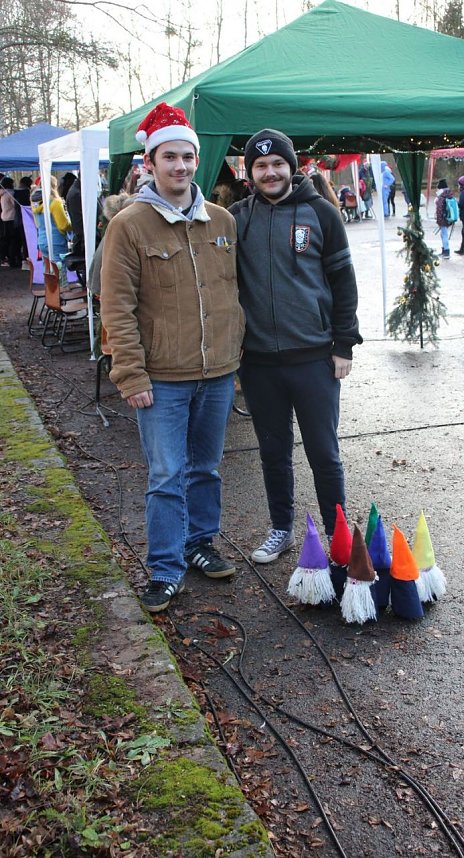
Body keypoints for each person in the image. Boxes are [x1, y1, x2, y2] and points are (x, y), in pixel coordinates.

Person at [100, 102, 245, 612]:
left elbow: (233, 292)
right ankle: (165, 567)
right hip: (161, 380)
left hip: (218, 373)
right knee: (166, 474)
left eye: (188, 156)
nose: (180, 166)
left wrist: (236, 352)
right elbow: (116, 306)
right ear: (150, 162)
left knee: (206, 468)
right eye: (170, 157)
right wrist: (130, 373)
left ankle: (200, 544)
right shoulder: (131, 226)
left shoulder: (221, 221)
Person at [229, 129, 362, 563]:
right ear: (249, 173)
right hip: (260, 363)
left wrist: (344, 344)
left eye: (277, 164)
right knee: (273, 452)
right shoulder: (236, 219)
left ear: (292, 166)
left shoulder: (321, 214)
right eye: (260, 166)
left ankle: (337, 536)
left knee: (325, 453)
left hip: (315, 359)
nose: (270, 172)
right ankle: (281, 529)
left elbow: (344, 283)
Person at [30, 176, 71, 262]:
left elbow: (37, 223)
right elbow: (63, 226)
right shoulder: (55, 203)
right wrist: (72, 224)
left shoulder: (35, 203)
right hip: (56, 242)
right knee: (60, 271)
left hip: (42, 240)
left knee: (48, 271)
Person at [0, 177, 22, 268]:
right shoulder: (11, 193)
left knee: (7, 240)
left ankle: (8, 258)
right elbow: (16, 205)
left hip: (4, 218)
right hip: (12, 218)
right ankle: (13, 260)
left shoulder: (2, 194)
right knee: (14, 240)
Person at [434, 178, 455, 258]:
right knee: (443, 234)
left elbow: (439, 210)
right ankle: (444, 250)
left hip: (443, 218)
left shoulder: (441, 196)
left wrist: (438, 221)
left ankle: (446, 251)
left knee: (444, 234)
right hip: (448, 217)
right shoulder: (449, 194)